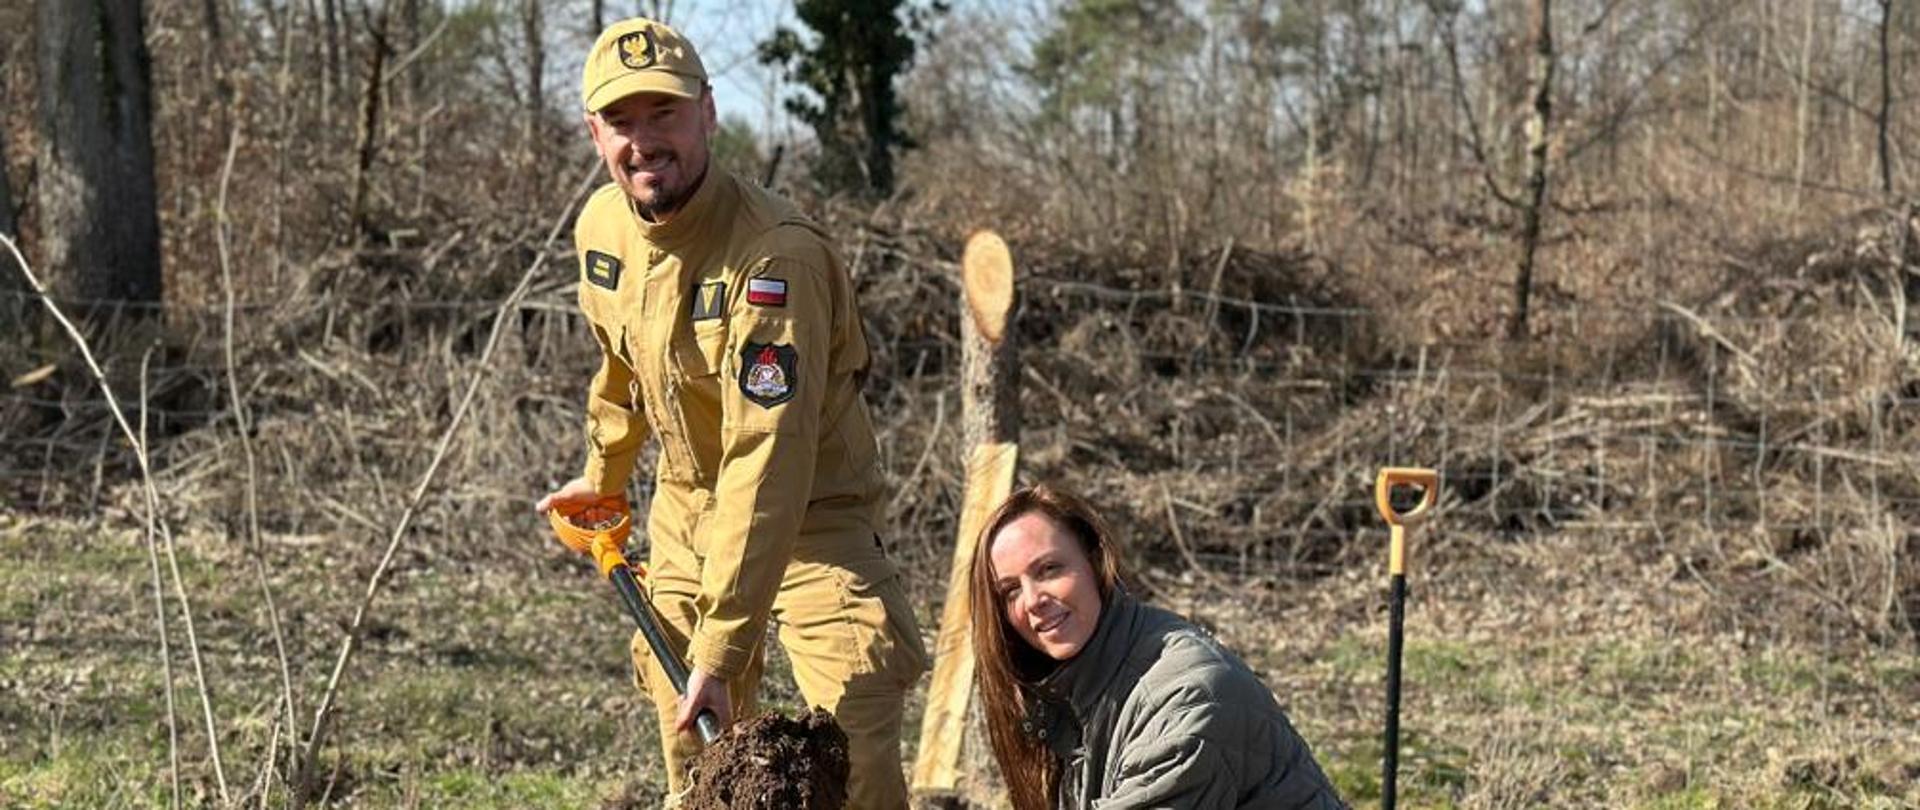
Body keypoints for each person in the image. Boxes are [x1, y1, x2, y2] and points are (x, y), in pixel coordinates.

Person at [534, 17, 927, 808]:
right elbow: (621, 368)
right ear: (593, 133)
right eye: (621, 121)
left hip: (814, 513)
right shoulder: (602, 227)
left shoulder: (774, 257)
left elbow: (767, 454)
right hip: (687, 508)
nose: (643, 142)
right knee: (697, 753)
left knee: (850, 747)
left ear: (708, 113)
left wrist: (723, 645)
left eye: (664, 115)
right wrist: (601, 474)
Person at [970, 484, 1346, 809]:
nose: (1033, 599)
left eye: (1049, 569)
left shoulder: (1185, 702)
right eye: (1010, 591)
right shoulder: (1076, 696)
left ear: (1095, 561)